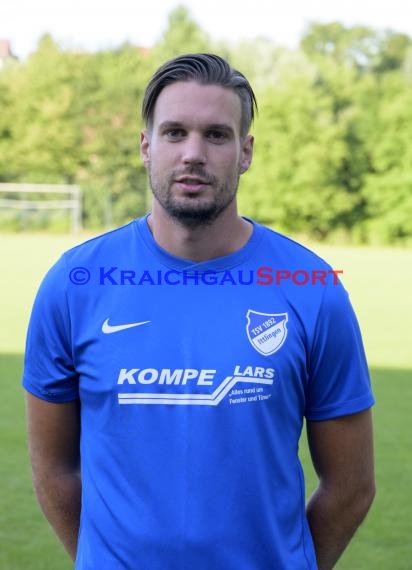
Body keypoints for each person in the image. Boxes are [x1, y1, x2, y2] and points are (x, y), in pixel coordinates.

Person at [23, 53, 375, 570]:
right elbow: (53, 471)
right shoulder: (75, 284)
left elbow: (351, 486)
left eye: (215, 135)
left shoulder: (311, 288)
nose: (193, 153)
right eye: (173, 133)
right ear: (146, 147)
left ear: (245, 151)